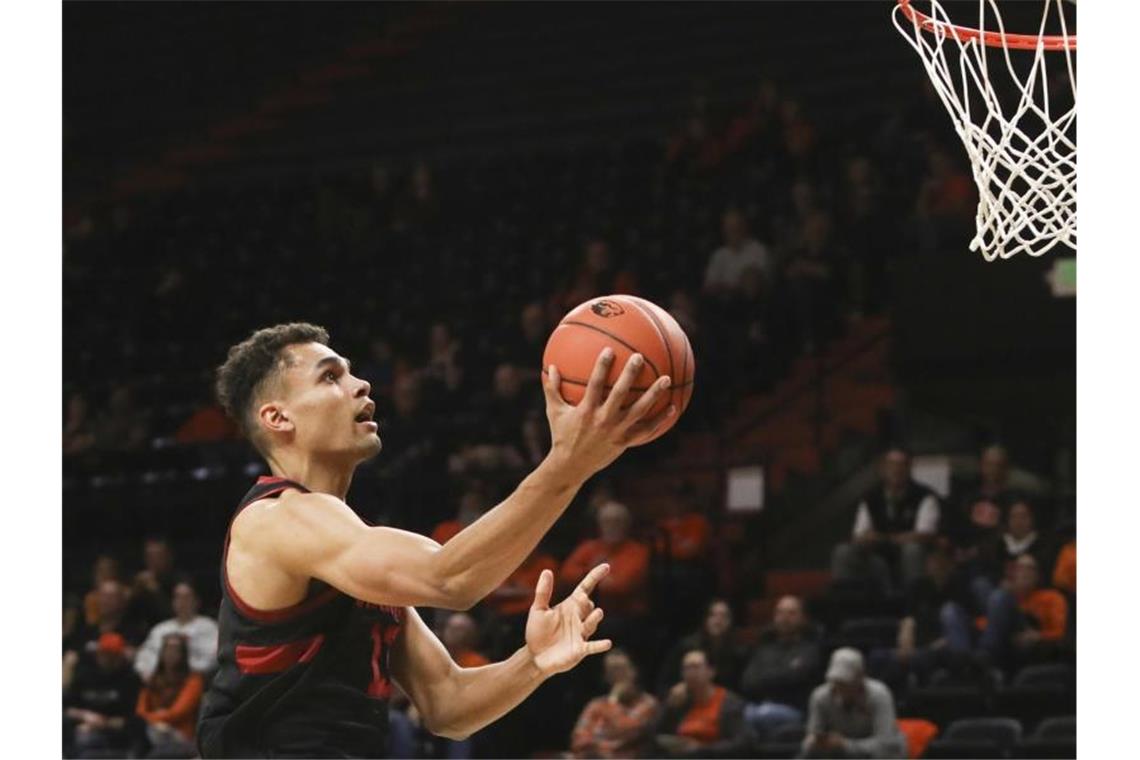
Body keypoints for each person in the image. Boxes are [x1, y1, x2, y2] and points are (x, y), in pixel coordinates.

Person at [198, 323, 674, 757]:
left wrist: (533, 662)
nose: (360, 385)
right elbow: (452, 578)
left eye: (350, 373)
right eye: (329, 377)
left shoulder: (352, 554)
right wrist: (568, 464)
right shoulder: (276, 518)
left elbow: (448, 705)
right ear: (278, 418)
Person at [832, 448, 940, 593]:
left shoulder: (924, 496)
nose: (896, 470)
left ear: (909, 468)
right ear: (882, 469)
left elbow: (924, 535)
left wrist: (884, 538)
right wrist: (868, 539)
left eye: (901, 465)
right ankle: (846, 605)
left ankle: (916, 604)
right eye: (891, 465)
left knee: (912, 549)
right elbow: (859, 536)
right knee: (843, 552)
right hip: (877, 558)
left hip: (911, 556)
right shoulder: (870, 498)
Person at [740, 595, 822, 737]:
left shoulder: (809, 649)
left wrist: (765, 677)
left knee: (757, 717)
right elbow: (747, 682)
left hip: (794, 710)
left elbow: (797, 678)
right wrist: (781, 675)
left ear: (802, 618)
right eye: (780, 612)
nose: (785, 618)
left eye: (791, 613)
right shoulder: (763, 648)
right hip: (758, 706)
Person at [800, 648, 905, 759]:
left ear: (860, 676)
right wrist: (813, 742)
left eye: (845, 683)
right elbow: (812, 736)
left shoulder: (879, 695)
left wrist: (845, 744)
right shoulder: (820, 696)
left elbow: (885, 744)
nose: (839, 687)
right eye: (836, 681)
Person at [560, 501, 651, 627]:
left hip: (624, 616)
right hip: (587, 613)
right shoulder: (588, 547)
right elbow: (566, 576)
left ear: (627, 524)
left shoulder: (637, 551)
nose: (612, 526)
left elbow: (621, 586)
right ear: (599, 525)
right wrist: (591, 571)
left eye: (617, 521)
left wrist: (588, 578)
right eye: (607, 521)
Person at [655, 649, 751, 758]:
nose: (690, 673)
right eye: (686, 668)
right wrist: (669, 703)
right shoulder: (681, 702)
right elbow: (654, 733)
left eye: (695, 667)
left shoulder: (729, 703)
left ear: (711, 672)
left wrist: (701, 749)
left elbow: (742, 744)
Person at [570, 648, 659, 759]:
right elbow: (578, 739)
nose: (617, 676)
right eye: (611, 671)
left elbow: (626, 731)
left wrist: (614, 700)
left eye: (621, 669)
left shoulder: (647, 703)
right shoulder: (595, 704)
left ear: (634, 671)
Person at [64, 632, 142, 759]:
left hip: (113, 733)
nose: (106, 658)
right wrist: (85, 716)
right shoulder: (85, 674)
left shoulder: (130, 679)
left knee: (84, 744)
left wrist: (103, 723)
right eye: (104, 653)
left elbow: (133, 719)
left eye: (112, 655)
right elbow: (66, 708)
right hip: (81, 726)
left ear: (120, 656)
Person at [657, 599, 747, 696]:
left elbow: (739, 688)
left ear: (731, 622)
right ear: (705, 619)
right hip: (688, 698)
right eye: (712, 615)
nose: (718, 620)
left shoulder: (737, 652)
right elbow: (664, 683)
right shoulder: (687, 646)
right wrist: (675, 690)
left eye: (724, 616)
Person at [136, 634, 204, 758]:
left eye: (175, 650)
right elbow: (140, 711)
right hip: (153, 730)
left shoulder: (193, 680)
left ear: (183, 654)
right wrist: (156, 721)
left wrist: (154, 719)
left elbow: (178, 712)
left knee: (155, 752)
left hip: (183, 736)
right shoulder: (154, 679)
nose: (170, 653)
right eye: (167, 649)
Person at [134, 580, 220, 680]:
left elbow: (212, 658)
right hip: (160, 682)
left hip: (194, 682)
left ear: (197, 601)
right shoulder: (160, 629)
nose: (182, 602)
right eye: (178, 597)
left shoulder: (209, 627)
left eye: (187, 597)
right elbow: (145, 656)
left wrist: (182, 672)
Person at [703, 208, 774, 299]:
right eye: (729, 228)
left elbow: (755, 285)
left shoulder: (758, 250)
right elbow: (709, 287)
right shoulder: (719, 255)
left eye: (736, 227)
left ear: (744, 226)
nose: (733, 231)